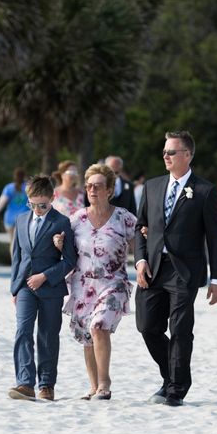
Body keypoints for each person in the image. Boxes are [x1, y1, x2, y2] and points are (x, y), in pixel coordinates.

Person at [135, 130, 217, 407]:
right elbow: (140, 227)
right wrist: (140, 260)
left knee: (180, 329)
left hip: (185, 271)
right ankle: (172, 375)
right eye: (164, 152)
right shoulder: (152, 186)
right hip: (153, 268)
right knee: (147, 326)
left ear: (187, 155)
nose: (166, 156)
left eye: (171, 152)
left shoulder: (205, 191)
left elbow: (214, 238)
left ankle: (175, 390)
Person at [56, 163, 136, 400]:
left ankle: (105, 383)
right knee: (87, 336)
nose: (92, 190)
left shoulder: (124, 218)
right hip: (83, 285)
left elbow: (143, 244)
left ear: (109, 190)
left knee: (99, 326)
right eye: (89, 186)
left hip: (114, 283)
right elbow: (68, 252)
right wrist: (60, 245)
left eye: (98, 186)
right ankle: (93, 386)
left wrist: (144, 265)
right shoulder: (76, 219)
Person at [8, 175, 76, 402]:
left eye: (42, 205)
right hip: (25, 286)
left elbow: (69, 261)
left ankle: (46, 384)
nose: (37, 209)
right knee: (23, 331)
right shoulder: (20, 220)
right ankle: (25, 383)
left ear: (52, 198)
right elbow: (17, 257)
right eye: (32, 204)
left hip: (51, 288)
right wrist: (15, 289)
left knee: (47, 336)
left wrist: (44, 276)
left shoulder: (62, 222)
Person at [0, 167, 30, 256]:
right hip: (24, 219)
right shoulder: (28, 188)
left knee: (13, 241)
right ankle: (21, 264)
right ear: (24, 176)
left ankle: (14, 264)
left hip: (9, 219)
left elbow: (1, 202)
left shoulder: (9, 188)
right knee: (22, 243)